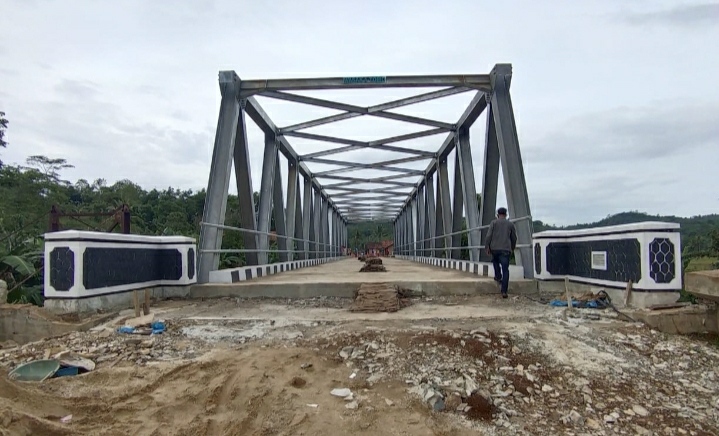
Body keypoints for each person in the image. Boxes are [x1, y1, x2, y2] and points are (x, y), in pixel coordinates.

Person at [484, 207, 517, 298]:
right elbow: (514, 237)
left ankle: (498, 277)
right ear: (506, 214)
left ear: (497, 214)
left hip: (494, 249)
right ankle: (504, 291)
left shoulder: (493, 223)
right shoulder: (510, 224)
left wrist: (487, 247)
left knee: (495, 261)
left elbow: (488, 236)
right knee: (505, 269)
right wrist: (512, 247)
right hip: (506, 249)